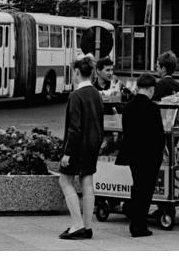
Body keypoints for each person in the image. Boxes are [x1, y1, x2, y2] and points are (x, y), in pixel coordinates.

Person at [57, 56, 104, 240]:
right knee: (87, 182)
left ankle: (76, 225)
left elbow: (74, 128)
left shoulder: (76, 96)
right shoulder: (96, 94)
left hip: (78, 146)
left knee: (65, 181)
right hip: (93, 144)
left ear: (77, 72)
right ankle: (87, 226)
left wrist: (67, 153)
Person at [115, 73, 165, 237]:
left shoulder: (128, 107)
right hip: (149, 155)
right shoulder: (153, 108)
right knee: (145, 190)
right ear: (151, 89)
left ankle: (134, 219)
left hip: (133, 154)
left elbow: (126, 131)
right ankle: (139, 225)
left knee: (137, 186)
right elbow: (158, 135)